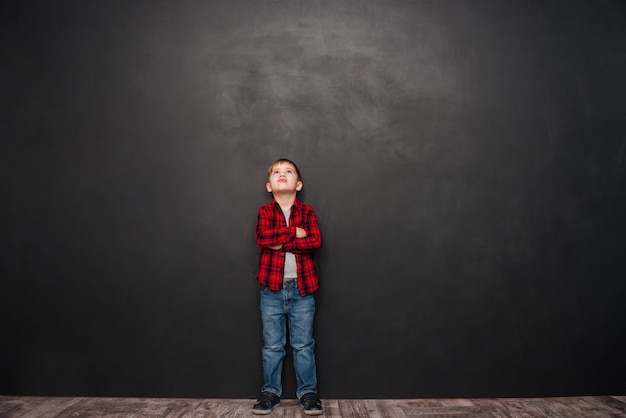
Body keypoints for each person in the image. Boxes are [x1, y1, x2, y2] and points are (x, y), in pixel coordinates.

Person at [252, 159, 323, 415]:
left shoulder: (308, 211)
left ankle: (308, 393)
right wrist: (295, 233)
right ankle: (270, 391)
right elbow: (262, 238)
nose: (283, 175)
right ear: (269, 185)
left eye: (289, 172)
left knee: (304, 345)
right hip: (271, 290)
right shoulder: (264, 212)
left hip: (302, 290)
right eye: (277, 173)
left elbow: (315, 241)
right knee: (272, 345)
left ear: (299, 184)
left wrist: (281, 240)